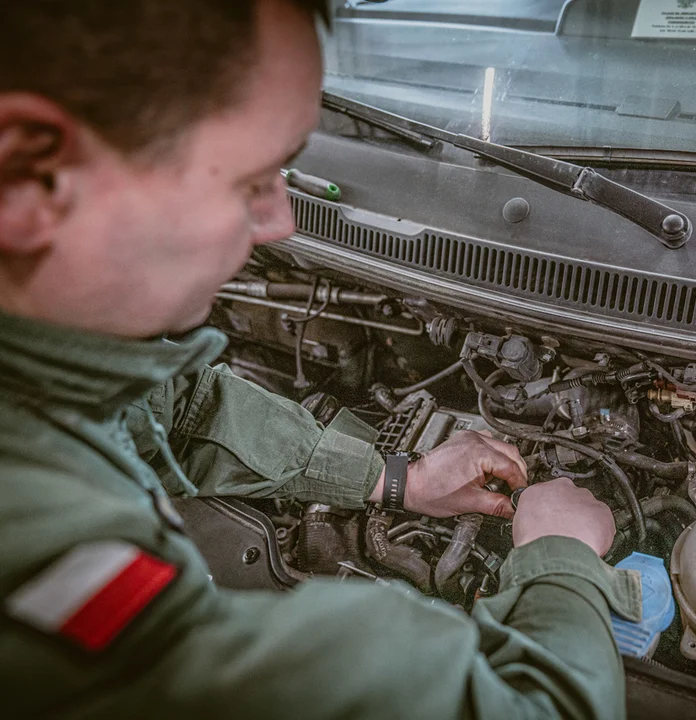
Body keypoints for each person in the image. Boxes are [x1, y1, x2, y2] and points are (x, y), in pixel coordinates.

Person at [0, 1, 641, 717]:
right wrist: (561, 566)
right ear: (31, 177)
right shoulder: (35, 552)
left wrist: (394, 477)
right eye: (251, 181)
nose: (281, 223)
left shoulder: (54, 348)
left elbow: (179, 405)